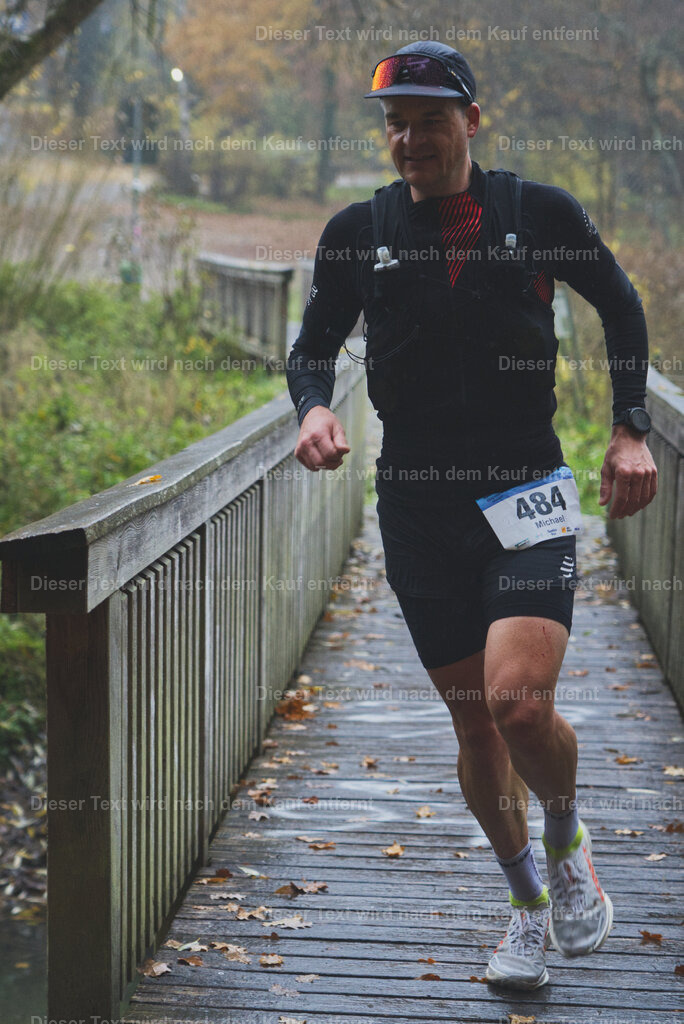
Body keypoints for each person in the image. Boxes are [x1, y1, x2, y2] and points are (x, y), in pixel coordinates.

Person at [285, 40, 657, 990]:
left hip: (524, 492)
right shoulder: (356, 233)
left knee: (519, 703)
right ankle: (528, 905)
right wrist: (315, 407)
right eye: (394, 124)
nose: (409, 139)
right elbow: (313, 345)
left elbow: (619, 306)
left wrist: (629, 428)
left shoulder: (536, 213)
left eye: (428, 120)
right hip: (415, 509)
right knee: (475, 730)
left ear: (470, 122)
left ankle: (570, 843)